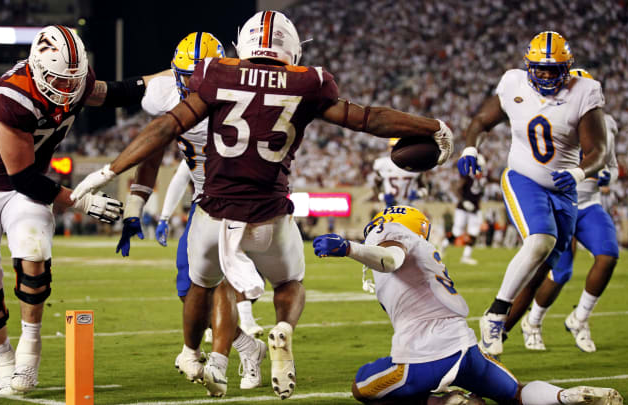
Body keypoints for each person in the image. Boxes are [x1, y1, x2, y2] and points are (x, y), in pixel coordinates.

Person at [71, 10, 453, 399]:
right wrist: (432, 127)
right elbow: (367, 119)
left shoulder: (215, 75)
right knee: (288, 283)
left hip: (212, 212)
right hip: (270, 212)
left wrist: (107, 172)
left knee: (201, 289)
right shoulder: (309, 82)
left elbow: (163, 128)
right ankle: (282, 328)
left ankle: (195, 355)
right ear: (291, 48)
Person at [0, 25, 161, 394]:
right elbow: (24, 179)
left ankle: (29, 353)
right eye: (59, 81)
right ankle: (3, 358)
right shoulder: (10, 95)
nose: (67, 91)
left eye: (73, 82)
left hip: (22, 188)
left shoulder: (76, 82)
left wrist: (172, 77)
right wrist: (83, 199)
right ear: (37, 68)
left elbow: (118, 92)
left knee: (34, 250)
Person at [312, 206, 623, 405]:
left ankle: (446, 404)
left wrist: (348, 247)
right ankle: (562, 397)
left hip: (424, 357)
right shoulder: (426, 248)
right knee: (515, 394)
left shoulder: (390, 231)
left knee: (361, 386)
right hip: (466, 349)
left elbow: (391, 259)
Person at [114, 32, 266, 393]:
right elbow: (154, 155)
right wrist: (137, 207)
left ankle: (222, 359)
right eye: (185, 75)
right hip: (204, 203)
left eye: (200, 75)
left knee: (224, 284)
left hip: (244, 201)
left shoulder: (239, 100)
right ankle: (248, 346)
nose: (192, 83)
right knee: (191, 292)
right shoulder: (165, 97)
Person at [457, 31, 607, 356]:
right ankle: (496, 314)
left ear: (567, 68)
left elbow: (600, 149)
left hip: (565, 191)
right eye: (540, 68)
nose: (546, 75)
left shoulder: (585, 90)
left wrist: (578, 172)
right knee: (540, 240)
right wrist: (470, 147)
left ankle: (495, 337)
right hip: (523, 177)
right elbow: (481, 121)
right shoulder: (513, 83)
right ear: (528, 66)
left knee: (541, 270)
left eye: (554, 70)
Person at [506, 68, 619, 353]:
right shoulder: (553, 115)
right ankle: (533, 321)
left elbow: (612, 165)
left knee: (608, 256)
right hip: (560, 201)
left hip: (589, 203)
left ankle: (579, 318)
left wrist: (608, 176)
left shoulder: (605, 123)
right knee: (560, 273)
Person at [441, 156, 486, 265]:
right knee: (457, 232)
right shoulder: (466, 176)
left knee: (474, 232)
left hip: (474, 209)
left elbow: (478, 196)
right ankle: (442, 248)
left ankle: (466, 256)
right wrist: (464, 201)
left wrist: (478, 209)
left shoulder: (482, 179)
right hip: (462, 208)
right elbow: (457, 189)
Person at [373, 138, 428, 208]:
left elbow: (424, 187)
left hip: (410, 206)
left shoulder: (414, 164)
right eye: (393, 147)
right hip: (390, 207)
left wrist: (419, 194)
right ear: (389, 148)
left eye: (398, 147)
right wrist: (382, 196)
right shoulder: (382, 164)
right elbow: (375, 186)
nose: (396, 150)